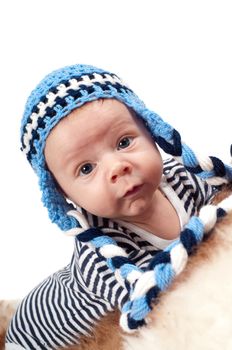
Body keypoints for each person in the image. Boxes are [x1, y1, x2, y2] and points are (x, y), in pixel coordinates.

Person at [5, 64, 232, 350]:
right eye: (86, 168)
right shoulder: (100, 257)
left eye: (124, 142)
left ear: (152, 131)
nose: (117, 167)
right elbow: (160, 311)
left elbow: (223, 205)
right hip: (33, 336)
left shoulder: (180, 178)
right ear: (64, 194)